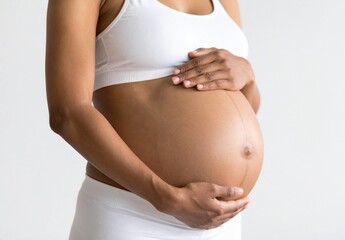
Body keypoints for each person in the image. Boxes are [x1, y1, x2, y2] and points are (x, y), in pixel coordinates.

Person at [45, 0, 264, 239]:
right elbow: (67, 113)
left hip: (220, 221)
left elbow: (244, 108)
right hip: (132, 215)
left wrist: (247, 76)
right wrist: (166, 198)